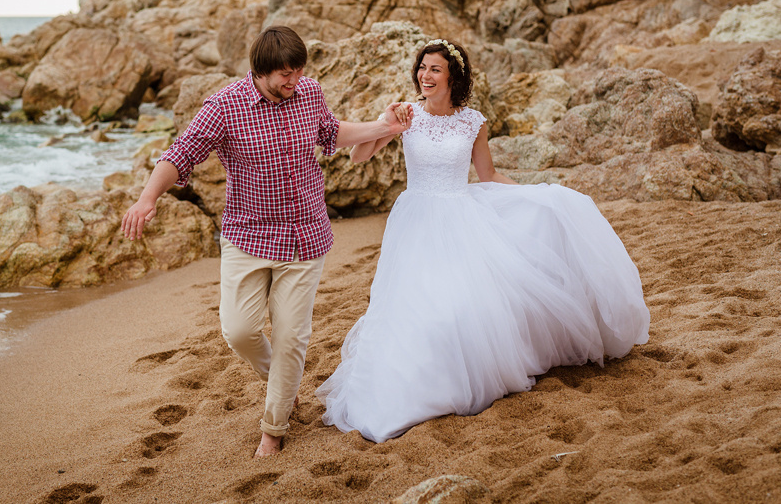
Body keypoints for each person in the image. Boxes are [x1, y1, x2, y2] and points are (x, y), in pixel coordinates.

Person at [315, 38, 651, 443]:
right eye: (422, 67)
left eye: (435, 69)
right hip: (416, 220)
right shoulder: (408, 114)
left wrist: (536, 195)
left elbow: (487, 175)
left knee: (461, 305)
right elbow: (358, 158)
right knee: (412, 304)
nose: (425, 75)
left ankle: (455, 375)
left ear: (453, 76)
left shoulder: (473, 121)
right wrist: (388, 122)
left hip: (461, 218)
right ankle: (407, 381)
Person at [121, 25, 413, 457]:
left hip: (305, 235)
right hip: (248, 235)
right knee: (237, 330)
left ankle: (273, 429)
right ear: (259, 71)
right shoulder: (225, 106)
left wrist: (380, 125)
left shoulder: (309, 93)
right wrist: (147, 198)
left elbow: (331, 134)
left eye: (297, 72)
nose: (292, 81)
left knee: (292, 336)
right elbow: (180, 152)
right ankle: (281, 378)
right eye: (283, 75)